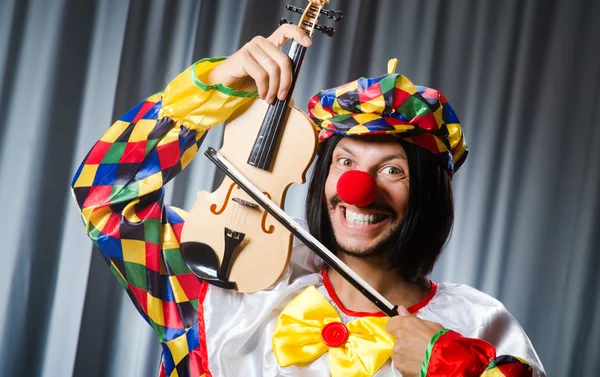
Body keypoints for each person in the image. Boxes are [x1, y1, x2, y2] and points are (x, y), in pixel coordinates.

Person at [71, 24, 545, 377]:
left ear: (429, 196)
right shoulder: (224, 277)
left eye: (393, 171)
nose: (359, 188)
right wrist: (212, 89)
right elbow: (105, 194)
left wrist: (454, 366)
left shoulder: (479, 325)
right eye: (344, 162)